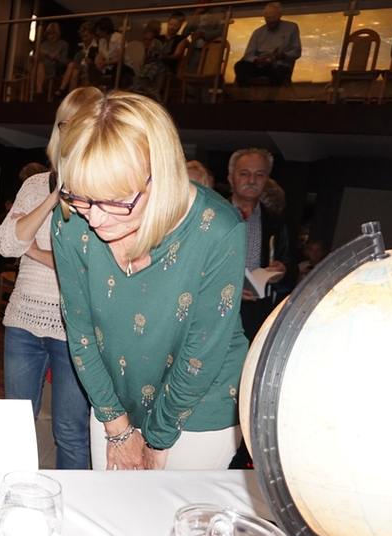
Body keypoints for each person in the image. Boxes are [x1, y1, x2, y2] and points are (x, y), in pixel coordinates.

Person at [52, 91, 248, 471]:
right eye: (81, 197)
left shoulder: (217, 229)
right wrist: (116, 426)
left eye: (116, 201)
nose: (95, 219)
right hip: (113, 394)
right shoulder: (71, 221)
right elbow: (80, 331)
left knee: (175, 509)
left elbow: (201, 351)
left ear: (160, 178)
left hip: (198, 404)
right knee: (110, 503)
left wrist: (158, 438)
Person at [0, 87, 102, 470]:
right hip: (23, 319)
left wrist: (36, 251)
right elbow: (6, 245)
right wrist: (54, 195)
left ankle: (70, 504)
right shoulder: (34, 185)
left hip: (74, 326)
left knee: (70, 431)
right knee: (16, 426)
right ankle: (15, 495)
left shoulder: (105, 191)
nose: (70, 134)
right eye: (64, 124)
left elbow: (91, 264)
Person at [227, 147, 294, 340]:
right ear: (231, 178)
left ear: (266, 179)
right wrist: (228, 288)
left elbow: (290, 268)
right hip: (213, 309)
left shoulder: (275, 222)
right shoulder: (212, 216)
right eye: (244, 174)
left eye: (259, 175)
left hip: (254, 316)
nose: (252, 180)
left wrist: (282, 271)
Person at [234, 2, 301, 87]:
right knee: (240, 66)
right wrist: (257, 60)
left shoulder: (291, 28)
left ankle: (271, 95)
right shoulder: (258, 32)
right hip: (259, 65)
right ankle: (244, 94)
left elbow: (297, 51)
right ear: (264, 18)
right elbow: (248, 55)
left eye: (273, 21)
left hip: (279, 65)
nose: (271, 24)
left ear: (280, 16)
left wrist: (282, 55)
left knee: (278, 73)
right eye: (268, 20)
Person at [37, 22, 69, 96]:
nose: (51, 36)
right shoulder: (43, 45)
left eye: (54, 34)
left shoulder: (63, 44)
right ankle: (39, 93)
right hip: (43, 68)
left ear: (58, 34)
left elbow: (65, 62)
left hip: (56, 68)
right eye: (49, 34)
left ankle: (59, 90)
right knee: (39, 65)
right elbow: (37, 58)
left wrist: (57, 57)